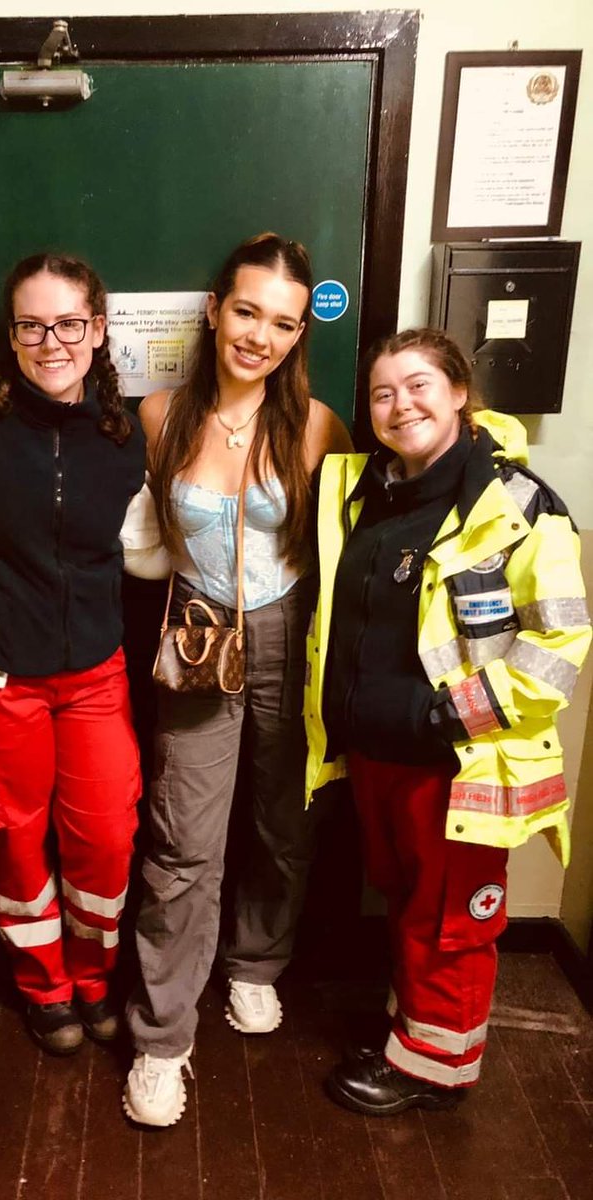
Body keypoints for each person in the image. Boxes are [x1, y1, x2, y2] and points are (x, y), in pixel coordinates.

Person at [305, 328, 590, 1115]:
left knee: (452, 920)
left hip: (459, 761)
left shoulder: (519, 504)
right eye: (384, 393)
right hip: (374, 756)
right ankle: (419, 1035)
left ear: (460, 391)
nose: (402, 405)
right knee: (408, 903)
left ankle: (437, 1072)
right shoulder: (362, 492)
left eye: (420, 384)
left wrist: (450, 715)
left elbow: (560, 641)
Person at [122, 232, 351, 1127]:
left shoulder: (320, 424)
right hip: (198, 631)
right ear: (215, 309)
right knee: (182, 838)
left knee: (284, 820)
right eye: (247, 311)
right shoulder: (159, 415)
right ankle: (162, 1036)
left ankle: (256, 964)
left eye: (283, 323)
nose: (260, 335)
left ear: (298, 336)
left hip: (292, 634)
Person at [0, 253, 145, 1055]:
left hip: (95, 674)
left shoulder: (127, 432)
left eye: (69, 323)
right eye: (33, 324)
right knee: (14, 840)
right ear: (13, 333)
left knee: (105, 836)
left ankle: (95, 979)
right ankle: (45, 989)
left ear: (97, 330)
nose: (51, 341)